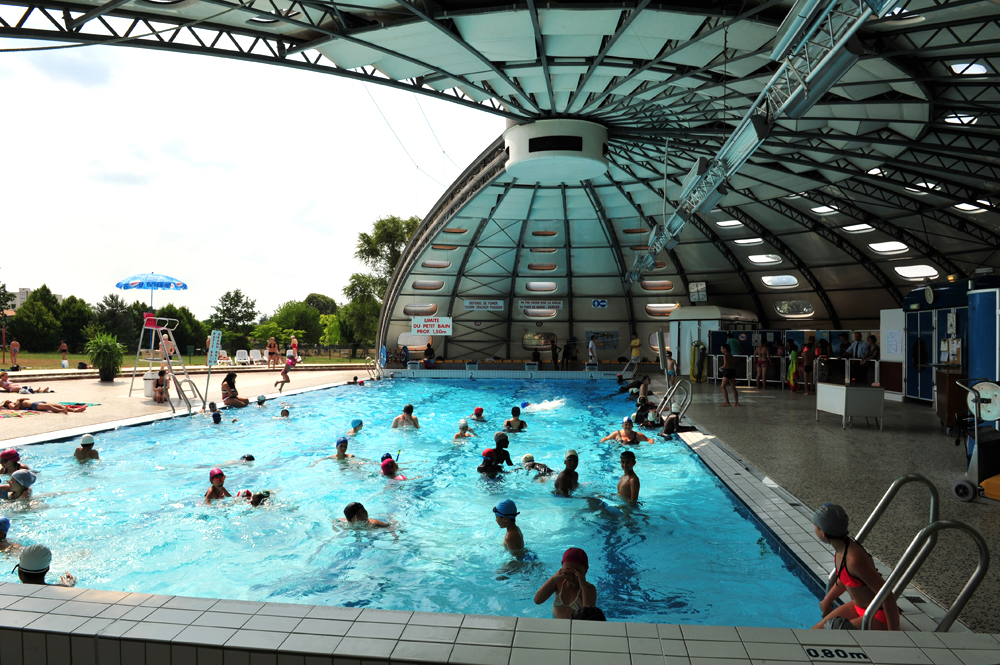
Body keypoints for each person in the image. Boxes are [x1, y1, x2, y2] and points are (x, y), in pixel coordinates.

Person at [811, 504, 900, 631]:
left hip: (877, 616)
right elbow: (846, 578)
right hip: (858, 607)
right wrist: (828, 600)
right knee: (815, 630)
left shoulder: (854, 559)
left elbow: (886, 596)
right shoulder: (842, 548)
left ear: (823, 533)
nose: (814, 528)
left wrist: (894, 635)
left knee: (830, 634)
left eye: (815, 526)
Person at [533, 547, 597, 619]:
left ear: (585, 571)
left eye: (576, 573)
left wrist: (583, 587)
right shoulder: (558, 582)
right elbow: (537, 600)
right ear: (562, 567)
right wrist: (553, 578)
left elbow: (588, 617)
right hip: (557, 625)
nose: (572, 577)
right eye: (568, 571)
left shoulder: (589, 589)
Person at [2, 398, 84, 414]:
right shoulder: (10, 404)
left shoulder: (13, 402)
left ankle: (74, 410)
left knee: (58, 405)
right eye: (7, 401)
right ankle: (63, 411)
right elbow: (15, 408)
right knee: (49, 407)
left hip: (37, 402)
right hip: (33, 405)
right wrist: (18, 400)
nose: (8, 400)